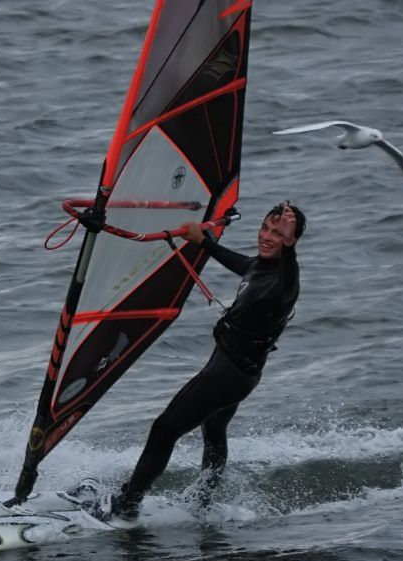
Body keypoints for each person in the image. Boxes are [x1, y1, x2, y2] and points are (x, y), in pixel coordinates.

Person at [101, 201, 306, 521]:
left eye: (278, 234)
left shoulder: (285, 282)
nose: (267, 236)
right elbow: (238, 261)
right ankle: (204, 500)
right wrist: (203, 242)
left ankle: (127, 506)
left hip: (229, 374)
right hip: (238, 371)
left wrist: (289, 247)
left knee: (164, 429)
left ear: (291, 241)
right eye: (265, 227)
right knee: (214, 427)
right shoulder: (259, 266)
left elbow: (288, 269)